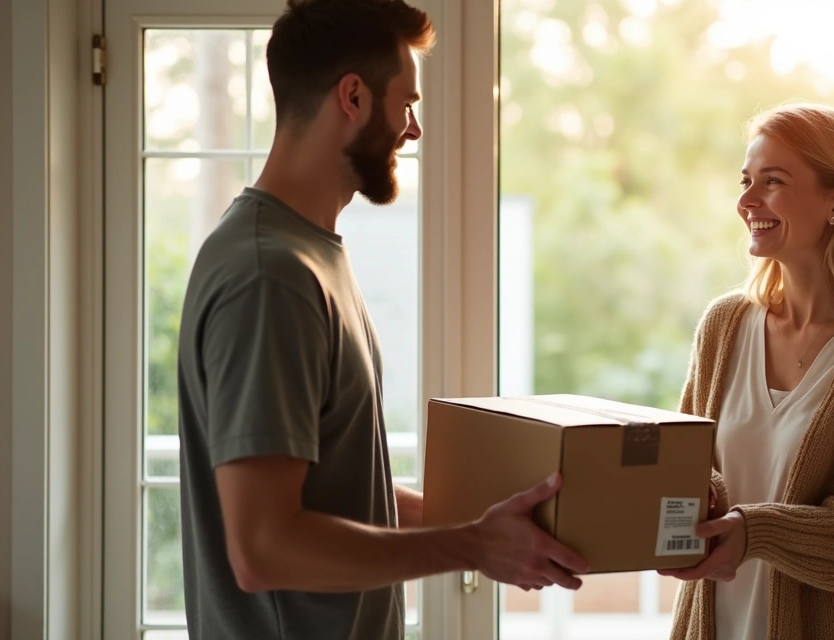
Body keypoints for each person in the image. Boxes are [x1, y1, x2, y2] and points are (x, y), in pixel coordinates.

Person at [175, 1, 588, 639]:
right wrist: (471, 547)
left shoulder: (309, 254)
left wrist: (484, 525)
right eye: (406, 103)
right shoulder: (271, 274)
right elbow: (263, 548)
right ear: (353, 97)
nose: (412, 128)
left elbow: (337, 497)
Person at [661, 103, 834, 640]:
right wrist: (692, 505)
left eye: (772, 182)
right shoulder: (724, 325)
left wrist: (754, 532)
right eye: (747, 180)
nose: (746, 201)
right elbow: (687, 468)